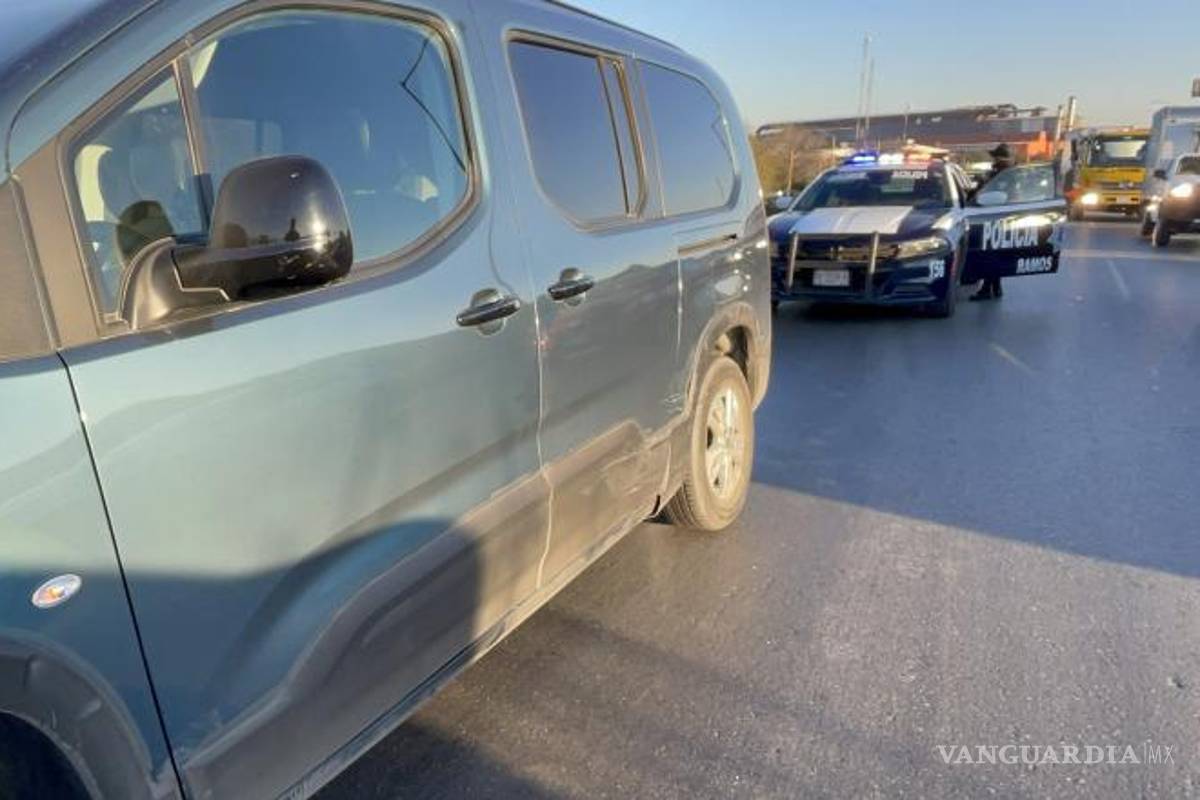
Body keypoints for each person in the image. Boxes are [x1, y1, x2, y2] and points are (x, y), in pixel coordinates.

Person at [971, 143, 1015, 302]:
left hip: (994, 217)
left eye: (996, 156)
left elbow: (992, 193)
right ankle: (995, 287)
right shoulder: (1009, 172)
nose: (994, 159)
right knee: (995, 253)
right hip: (1003, 217)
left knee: (990, 254)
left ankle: (986, 289)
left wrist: (982, 182)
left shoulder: (1003, 174)